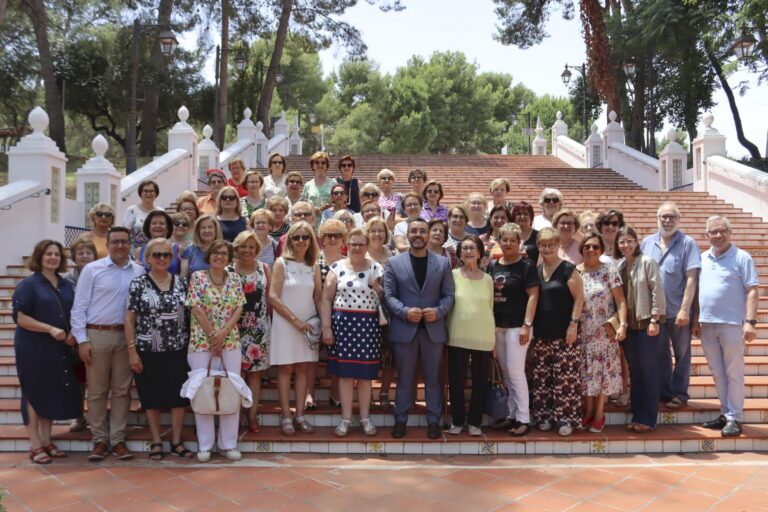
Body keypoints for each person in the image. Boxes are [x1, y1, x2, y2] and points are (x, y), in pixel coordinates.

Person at [71, 227, 145, 462]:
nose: (120, 246)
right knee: (97, 391)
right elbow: (79, 307)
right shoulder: (93, 270)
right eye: (115, 242)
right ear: (108, 243)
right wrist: (82, 340)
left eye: (124, 242)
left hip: (126, 337)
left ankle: (118, 439)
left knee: (122, 391)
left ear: (130, 244)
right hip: (98, 335)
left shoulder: (139, 271)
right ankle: (100, 440)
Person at [383, 218, 455, 439]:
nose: (418, 235)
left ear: (428, 235)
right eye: (413, 231)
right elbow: (389, 295)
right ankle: (400, 419)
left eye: (422, 231)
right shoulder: (394, 263)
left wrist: (439, 311)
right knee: (405, 378)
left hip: (433, 330)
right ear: (408, 235)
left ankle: (434, 420)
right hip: (405, 329)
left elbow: (449, 295)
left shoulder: (442, 263)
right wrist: (404, 312)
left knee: (433, 378)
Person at [13, 240, 81, 464]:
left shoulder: (65, 284)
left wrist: (72, 333)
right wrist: (49, 329)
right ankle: (35, 445)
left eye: (57, 254)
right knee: (33, 391)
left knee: (51, 389)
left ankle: (46, 439)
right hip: (33, 346)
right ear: (39, 257)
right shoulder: (29, 284)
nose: (53, 257)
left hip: (59, 345)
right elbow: (21, 318)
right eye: (48, 254)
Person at [125, 238, 192, 460]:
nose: (162, 259)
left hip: (178, 348)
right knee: (151, 396)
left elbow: (192, 314)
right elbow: (129, 319)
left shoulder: (182, 283)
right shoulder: (138, 284)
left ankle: (176, 440)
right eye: (157, 255)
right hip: (147, 348)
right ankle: (155, 440)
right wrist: (132, 350)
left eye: (166, 255)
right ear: (147, 258)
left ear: (172, 259)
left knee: (178, 396)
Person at [694, 215, 759, 437]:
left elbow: (752, 290)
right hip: (707, 324)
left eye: (723, 231)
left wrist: (750, 321)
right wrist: (695, 318)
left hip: (732, 324)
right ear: (707, 235)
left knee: (734, 372)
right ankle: (725, 413)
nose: (719, 235)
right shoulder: (702, 258)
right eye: (714, 232)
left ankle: (735, 417)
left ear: (730, 233)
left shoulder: (742, 257)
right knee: (717, 372)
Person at [184, 240, 247, 462]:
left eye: (224, 253)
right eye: (215, 253)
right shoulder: (198, 278)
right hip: (202, 341)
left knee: (232, 388)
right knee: (203, 390)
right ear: (209, 256)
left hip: (230, 341)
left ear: (229, 258)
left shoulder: (235, 278)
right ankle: (205, 445)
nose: (219, 257)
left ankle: (228, 444)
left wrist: (223, 333)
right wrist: (213, 335)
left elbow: (239, 307)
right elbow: (196, 308)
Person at [321, 228, 384, 436]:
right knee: (345, 377)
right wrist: (326, 327)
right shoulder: (337, 267)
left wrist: (378, 288)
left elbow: (385, 298)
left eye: (361, 244)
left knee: (366, 377)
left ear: (366, 246)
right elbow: (326, 298)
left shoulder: (376, 268)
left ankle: (365, 418)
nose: (357, 247)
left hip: (368, 328)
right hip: (343, 328)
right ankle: (346, 419)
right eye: (353, 243)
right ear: (346, 245)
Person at [640, 201, 700, 409]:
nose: (667, 220)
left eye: (672, 217)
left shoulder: (687, 243)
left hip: (677, 311)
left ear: (678, 220)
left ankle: (680, 393)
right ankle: (665, 392)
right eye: (663, 216)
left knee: (682, 353)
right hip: (655, 313)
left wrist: (686, 309)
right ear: (657, 219)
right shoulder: (647, 242)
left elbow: (692, 278)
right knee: (660, 353)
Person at [269, 221, 323, 436]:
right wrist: (295, 321)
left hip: (308, 324)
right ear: (289, 239)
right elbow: (273, 296)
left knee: (302, 369)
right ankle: (285, 415)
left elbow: (318, 297)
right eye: (296, 237)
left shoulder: (314, 265)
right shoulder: (282, 263)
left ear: (311, 240)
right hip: (286, 323)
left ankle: (299, 415)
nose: (301, 241)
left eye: (305, 237)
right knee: (284, 369)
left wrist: (323, 324)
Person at [530, 228, 584, 437]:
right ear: (538, 246)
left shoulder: (568, 269)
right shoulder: (536, 271)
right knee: (542, 377)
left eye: (551, 244)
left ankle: (566, 419)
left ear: (557, 246)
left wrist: (573, 324)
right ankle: (544, 417)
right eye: (543, 245)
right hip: (542, 333)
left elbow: (579, 298)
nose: (547, 248)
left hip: (564, 334)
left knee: (566, 379)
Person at [488, 223, 539, 436]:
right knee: (507, 373)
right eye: (504, 239)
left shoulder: (526, 266)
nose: (508, 243)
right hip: (498, 326)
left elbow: (533, 295)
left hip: (518, 326)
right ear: (499, 241)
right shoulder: (493, 266)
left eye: (512, 240)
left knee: (516, 372)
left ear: (519, 243)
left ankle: (524, 418)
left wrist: (527, 325)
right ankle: (510, 414)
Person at [615, 226, 666, 434]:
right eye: (621, 242)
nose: (625, 245)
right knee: (635, 371)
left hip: (646, 325)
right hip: (629, 327)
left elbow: (657, 291)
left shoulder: (647, 262)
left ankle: (648, 418)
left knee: (648, 371)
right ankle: (637, 414)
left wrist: (655, 319)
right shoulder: (619, 266)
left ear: (636, 242)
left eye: (629, 240)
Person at [577, 233, 628, 433]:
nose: (591, 250)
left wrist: (623, 324)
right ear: (581, 249)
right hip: (583, 332)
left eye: (595, 247)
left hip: (605, 332)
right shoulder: (575, 272)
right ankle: (587, 411)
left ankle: (599, 413)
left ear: (601, 249)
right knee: (587, 374)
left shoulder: (609, 271)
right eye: (587, 246)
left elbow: (621, 301)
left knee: (602, 374)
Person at [446, 235, 495, 437]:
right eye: (464, 248)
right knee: (456, 380)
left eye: (472, 248)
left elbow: (490, 308)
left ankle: (475, 422)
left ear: (479, 251)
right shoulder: (452, 275)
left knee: (480, 381)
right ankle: (457, 421)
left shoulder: (488, 279)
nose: (468, 251)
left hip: (483, 337)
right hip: (457, 335)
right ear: (459, 253)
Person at [229, 231, 272, 433]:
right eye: (243, 246)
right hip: (232, 330)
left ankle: (252, 414)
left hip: (258, 330)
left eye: (251, 247)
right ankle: (235, 415)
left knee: (255, 376)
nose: (247, 250)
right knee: (236, 375)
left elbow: (270, 299)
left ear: (257, 250)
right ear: (236, 249)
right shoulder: (228, 271)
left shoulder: (264, 269)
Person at [311, 219, 349, 409]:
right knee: (311, 358)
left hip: (343, 316)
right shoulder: (315, 260)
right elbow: (318, 294)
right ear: (322, 239)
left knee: (339, 357)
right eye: (329, 235)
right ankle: (309, 395)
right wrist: (324, 319)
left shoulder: (348, 262)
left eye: (337, 235)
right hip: (317, 314)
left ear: (343, 240)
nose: (333, 239)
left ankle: (336, 393)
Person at [63, 238, 97, 432]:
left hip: (96, 331)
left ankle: (96, 416)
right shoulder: (67, 281)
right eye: (80, 253)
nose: (84, 256)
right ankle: (78, 415)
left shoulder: (101, 274)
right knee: (79, 380)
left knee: (98, 380)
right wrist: (73, 331)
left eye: (88, 252)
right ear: (74, 257)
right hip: (74, 335)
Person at [365, 217, 396, 409]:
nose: (377, 234)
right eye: (373, 230)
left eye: (381, 230)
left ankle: (384, 391)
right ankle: (367, 393)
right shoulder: (360, 254)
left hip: (387, 310)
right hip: (364, 311)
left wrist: (380, 289)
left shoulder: (392, 255)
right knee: (367, 354)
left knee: (388, 354)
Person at [180, 214, 223, 279]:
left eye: (210, 227)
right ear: (198, 231)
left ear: (216, 229)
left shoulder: (224, 250)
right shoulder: (189, 250)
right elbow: (183, 279)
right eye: (203, 228)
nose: (207, 230)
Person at [124, 180, 162, 250]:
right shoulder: (132, 210)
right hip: (135, 252)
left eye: (151, 191)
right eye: (145, 191)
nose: (148, 193)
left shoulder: (161, 211)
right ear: (140, 193)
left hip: (156, 251)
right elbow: (125, 233)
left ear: (156, 194)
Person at [302, 151, 334, 226]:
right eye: (317, 162)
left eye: (323, 163)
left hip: (328, 222)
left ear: (326, 166)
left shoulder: (333, 184)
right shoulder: (308, 185)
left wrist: (330, 207)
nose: (320, 165)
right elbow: (303, 204)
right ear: (313, 165)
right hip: (311, 223)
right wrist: (311, 209)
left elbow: (338, 203)